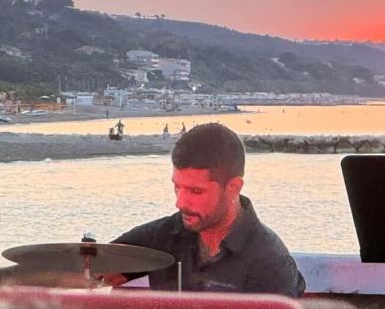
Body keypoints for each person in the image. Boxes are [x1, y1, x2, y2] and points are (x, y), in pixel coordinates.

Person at [110, 122, 305, 297]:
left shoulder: (270, 263)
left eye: (195, 191)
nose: (181, 203)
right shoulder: (165, 235)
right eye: (178, 187)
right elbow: (98, 267)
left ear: (233, 188)